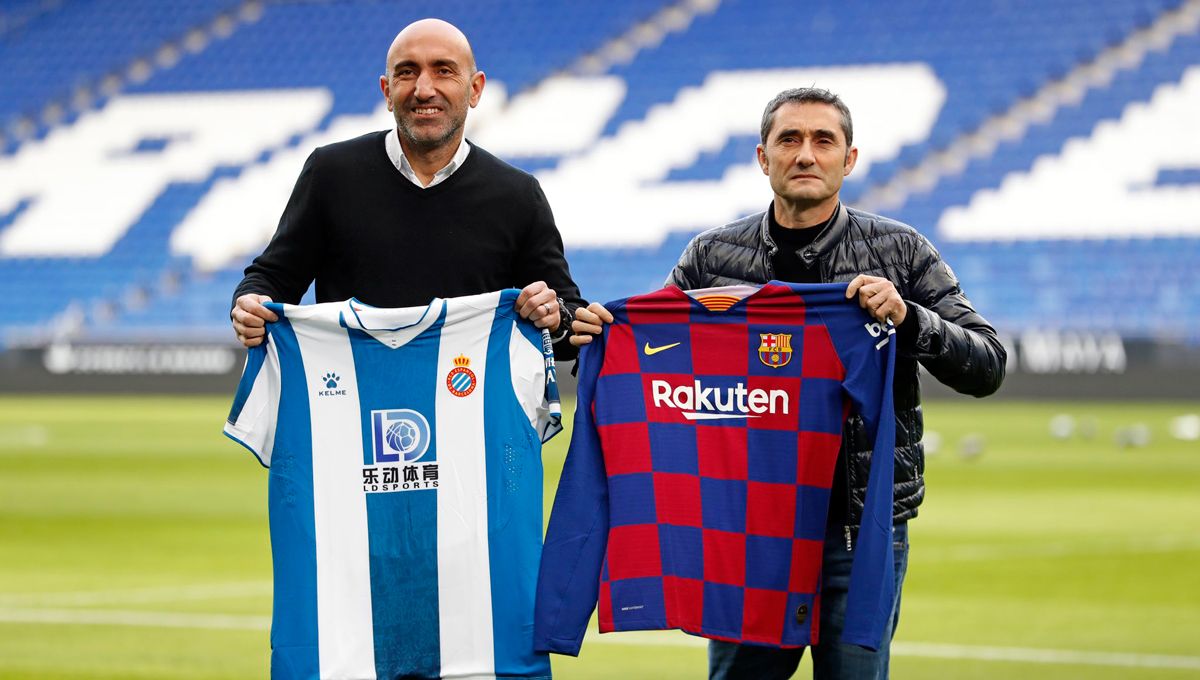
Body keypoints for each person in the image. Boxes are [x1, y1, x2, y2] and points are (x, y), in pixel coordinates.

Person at [570, 87, 1006, 679]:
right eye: (789, 140)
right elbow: (653, 346)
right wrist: (601, 335)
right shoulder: (711, 256)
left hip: (854, 532)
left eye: (823, 141)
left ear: (848, 159)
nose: (805, 154)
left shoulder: (901, 252)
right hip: (744, 529)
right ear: (762, 156)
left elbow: (988, 364)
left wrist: (912, 319)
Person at [230, 18, 582, 352]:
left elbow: (569, 327)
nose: (423, 89)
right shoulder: (331, 173)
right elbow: (273, 278)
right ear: (386, 91)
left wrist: (555, 318)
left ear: (475, 89)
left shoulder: (517, 195)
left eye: (443, 70)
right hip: (352, 406)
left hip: (467, 407)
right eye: (407, 72)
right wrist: (251, 302)